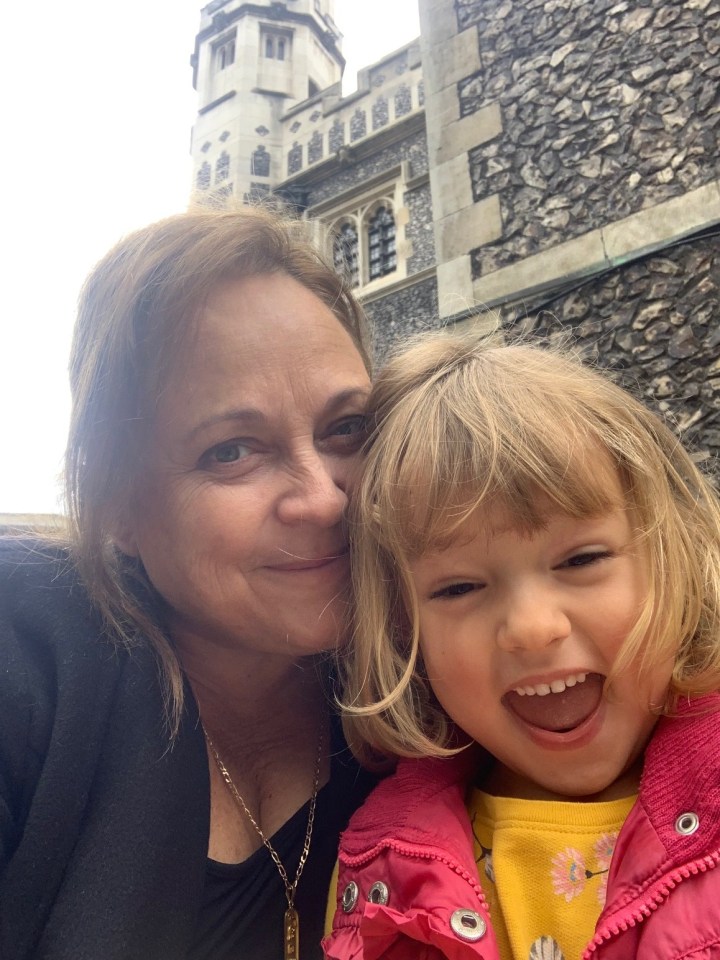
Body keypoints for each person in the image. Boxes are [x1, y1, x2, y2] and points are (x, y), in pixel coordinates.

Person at [0, 203, 377, 960]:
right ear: (120, 509)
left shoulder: (452, 674)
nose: (325, 498)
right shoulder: (27, 658)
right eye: (232, 450)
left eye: (347, 429)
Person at [324, 332, 720, 959]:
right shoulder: (380, 873)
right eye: (458, 588)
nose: (534, 628)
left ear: (671, 555)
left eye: (582, 558)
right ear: (405, 631)